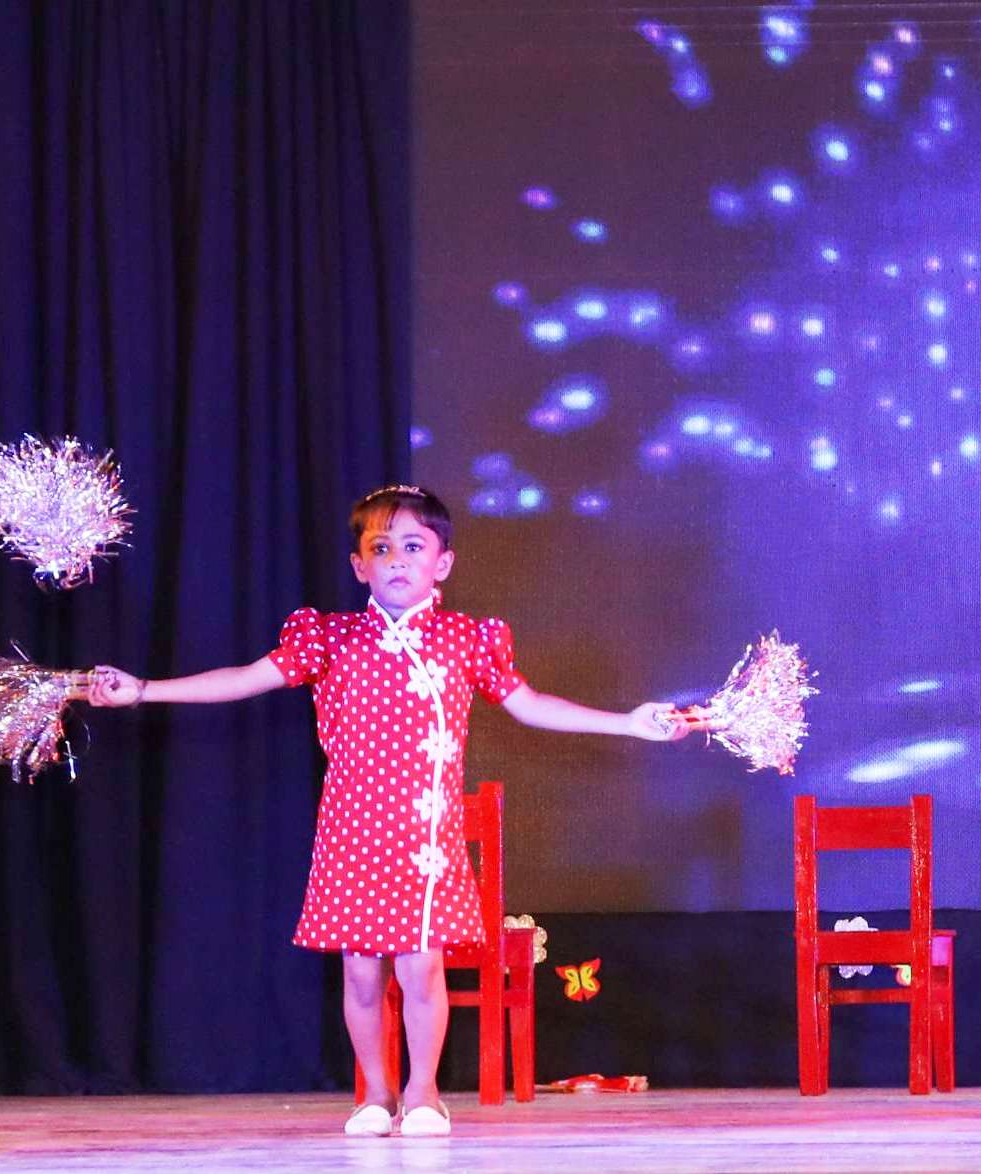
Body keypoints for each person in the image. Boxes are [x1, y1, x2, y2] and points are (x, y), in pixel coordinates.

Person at [84, 485, 686, 1137]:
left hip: (424, 838)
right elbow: (244, 678)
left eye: (413, 546)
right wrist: (144, 690)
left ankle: (424, 1092)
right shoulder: (328, 638)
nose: (397, 559)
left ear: (442, 563)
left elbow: (532, 705)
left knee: (420, 966)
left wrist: (628, 722)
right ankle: (376, 1092)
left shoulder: (467, 639)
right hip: (351, 833)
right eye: (381, 547)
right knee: (361, 972)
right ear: (359, 565)